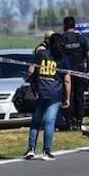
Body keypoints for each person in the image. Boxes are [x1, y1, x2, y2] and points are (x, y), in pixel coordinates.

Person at [23, 33, 71, 161]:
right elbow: (67, 80)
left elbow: (31, 71)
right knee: (49, 122)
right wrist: (67, 98)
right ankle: (46, 150)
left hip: (40, 92)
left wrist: (30, 80)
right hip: (55, 94)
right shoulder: (63, 59)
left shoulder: (40, 54)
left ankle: (31, 149)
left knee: (36, 122)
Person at [63, 16, 89, 130]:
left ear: (65, 26)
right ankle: (79, 121)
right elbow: (88, 56)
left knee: (68, 96)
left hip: (66, 72)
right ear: (74, 26)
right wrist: (87, 70)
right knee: (79, 97)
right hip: (80, 71)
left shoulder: (62, 39)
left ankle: (70, 121)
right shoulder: (81, 39)